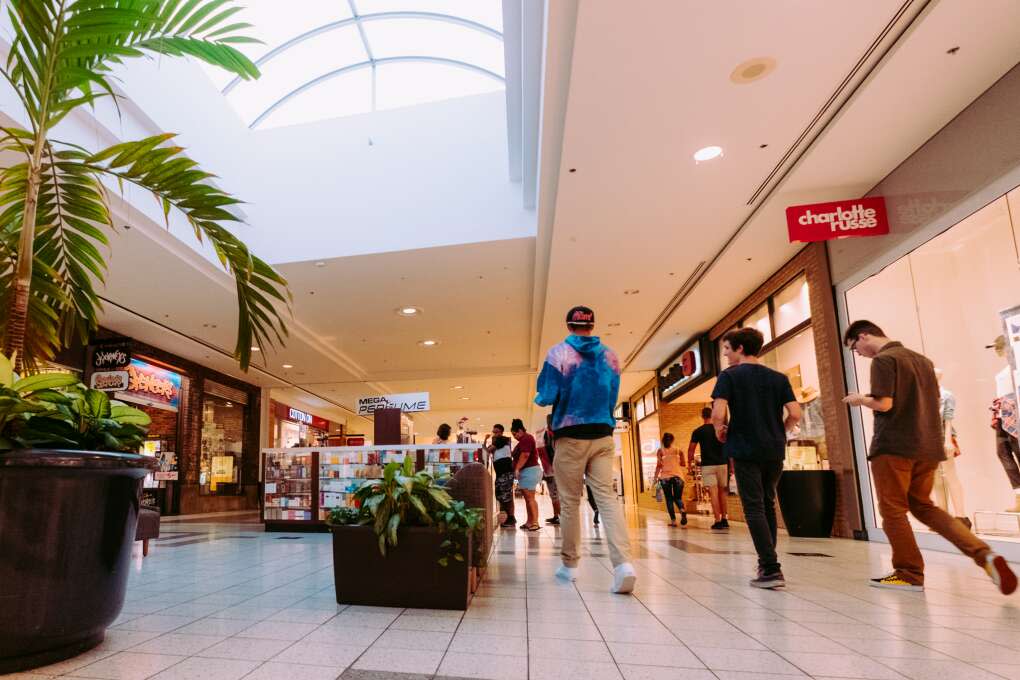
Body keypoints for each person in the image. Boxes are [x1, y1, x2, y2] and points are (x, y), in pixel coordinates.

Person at [843, 320, 1017, 594]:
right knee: (924, 506)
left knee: (892, 510)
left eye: (855, 348)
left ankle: (908, 573)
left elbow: (884, 403)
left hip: (894, 447)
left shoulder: (884, 360)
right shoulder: (923, 361)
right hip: (927, 446)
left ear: (863, 336)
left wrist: (860, 399)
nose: (860, 354)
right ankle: (984, 555)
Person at [535, 305, 636, 594]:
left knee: (570, 501)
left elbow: (548, 394)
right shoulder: (610, 355)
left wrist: (539, 396)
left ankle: (570, 565)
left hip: (571, 435)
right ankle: (623, 565)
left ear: (569, 326)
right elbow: (612, 395)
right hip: (603, 434)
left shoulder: (559, 354)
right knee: (606, 498)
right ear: (592, 325)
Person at [712, 327, 800, 589]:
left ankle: (771, 568)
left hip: (744, 447)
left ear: (740, 349)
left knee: (753, 506)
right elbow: (795, 413)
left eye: (727, 349)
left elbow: (718, 413)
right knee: (767, 502)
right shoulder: (779, 378)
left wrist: (720, 430)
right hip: (773, 448)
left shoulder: (729, 376)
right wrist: (779, 431)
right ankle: (767, 562)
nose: (726, 355)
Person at [689, 406, 730, 531]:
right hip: (723, 464)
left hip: (708, 465)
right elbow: (730, 446)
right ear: (712, 416)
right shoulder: (722, 429)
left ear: (702, 416)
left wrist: (690, 464)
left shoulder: (698, 431)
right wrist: (732, 465)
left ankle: (717, 520)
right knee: (722, 492)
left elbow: (691, 450)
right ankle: (725, 519)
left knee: (713, 493)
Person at [511, 419, 542, 531]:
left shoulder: (527, 438)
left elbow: (525, 455)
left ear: (520, 430)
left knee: (530, 498)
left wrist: (517, 469)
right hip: (527, 471)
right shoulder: (523, 440)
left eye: (515, 434)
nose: (514, 436)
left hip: (530, 471)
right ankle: (529, 522)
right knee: (527, 499)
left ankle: (535, 522)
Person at [654, 432, 687, 527]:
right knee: (678, 498)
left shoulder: (660, 451)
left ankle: (673, 521)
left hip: (665, 478)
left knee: (669, 499)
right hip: (678, 477)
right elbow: (683, 464)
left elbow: (658, 466)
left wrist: (655, 478)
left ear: (663, 441)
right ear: (672, 440)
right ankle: (682, 510)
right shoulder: (678, 451)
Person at [486, 425, 516, 528]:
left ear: (502, 432)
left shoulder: (502, 439)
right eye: (494, 432)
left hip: (505, 473)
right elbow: (488, 450)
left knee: (506, 496)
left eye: (497, 432)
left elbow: (488, 450)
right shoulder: (499, 441)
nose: (495, 434)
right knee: (503, 495)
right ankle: (510, 518)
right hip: (502, 473)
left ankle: (510, 518)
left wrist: (486, 440)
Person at [539, 417, 561, 525]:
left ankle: (560, 517)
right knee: (554, 494)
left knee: (555, 494)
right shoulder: (548, 435)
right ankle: (557, 516)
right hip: (550, 469)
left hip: (554, 469)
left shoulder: (554, 435)